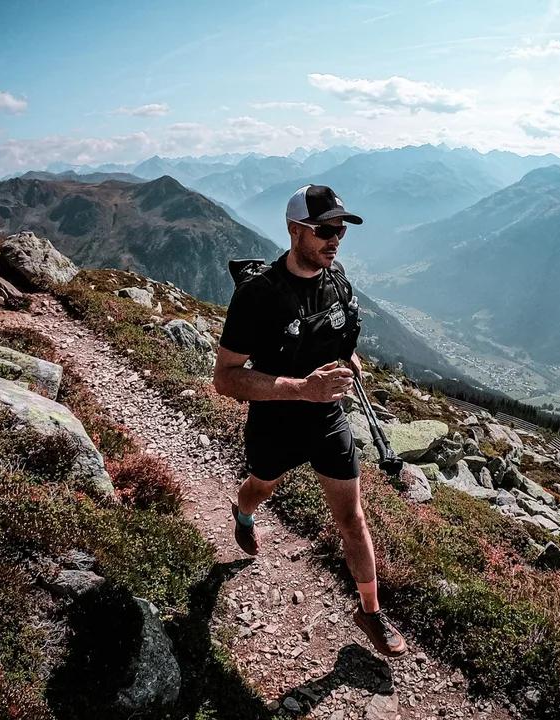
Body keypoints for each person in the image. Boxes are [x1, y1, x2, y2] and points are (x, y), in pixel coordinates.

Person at [212, 184, 407, 658]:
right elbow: (225, 378)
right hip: (276, 422)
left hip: (327, 419)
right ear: (295, 229)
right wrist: (301, 389)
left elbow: (338, 337)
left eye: (340, 230)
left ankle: (370, 612)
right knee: (261, 487)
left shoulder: (336, 280)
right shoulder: (257, 297)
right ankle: (243, 512)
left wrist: (349, 360)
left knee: (352, 518)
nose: (336, 239)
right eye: (325, 230)